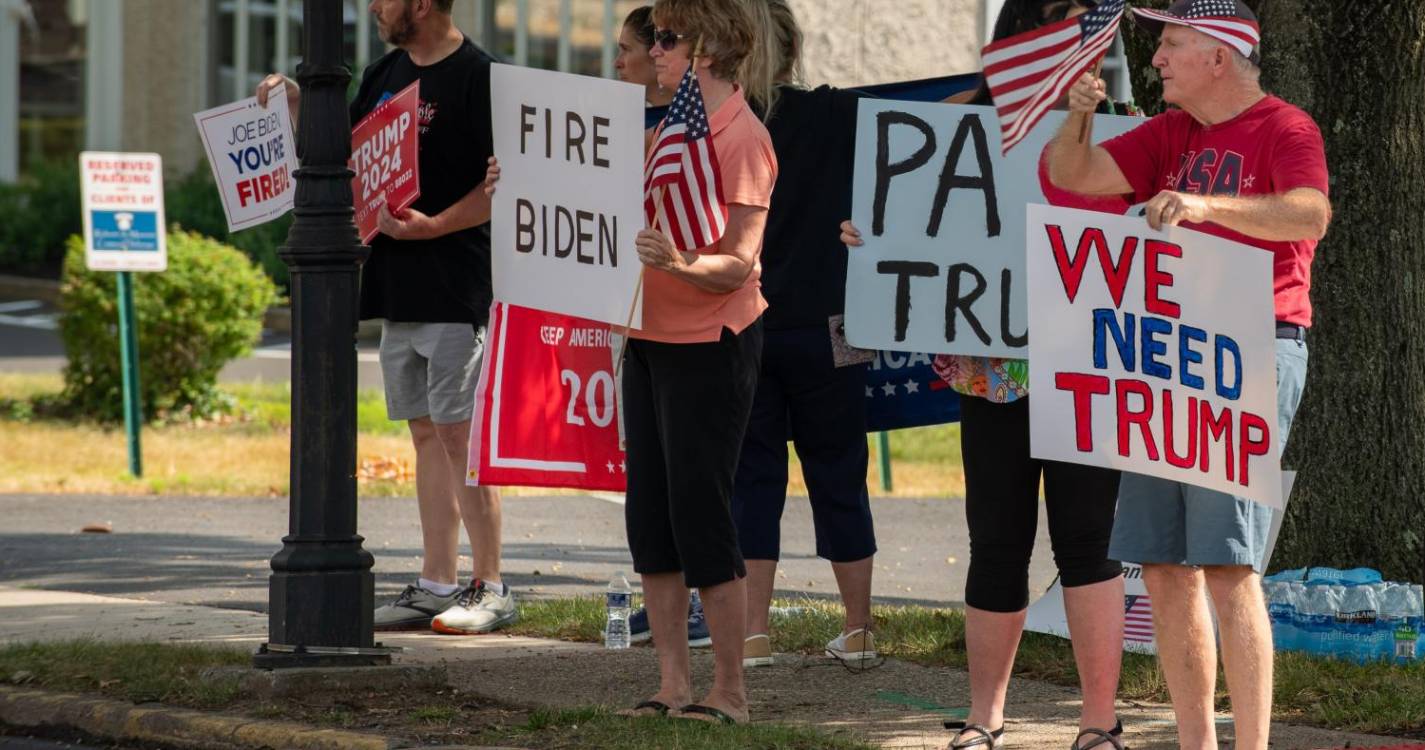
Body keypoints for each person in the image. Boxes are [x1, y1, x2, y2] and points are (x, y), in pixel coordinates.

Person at [842, 2, 1131, 747]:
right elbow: (906, 211)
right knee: (995, 543)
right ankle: (984, 718)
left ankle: (1098, 724)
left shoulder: (1126, 127)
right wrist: (872, 235)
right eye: (1070, 23)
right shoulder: (956, 122)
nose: (1086, 39)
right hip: (989, 372)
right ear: (1023, 37)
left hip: (1086, 370)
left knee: (1089, 544)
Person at [1045, 2, 1332, 749]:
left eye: (1170, 44)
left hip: (1248, 348)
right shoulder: (1171, 132)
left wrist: (1205, 205)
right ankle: (1194, 741)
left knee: (1228, 563)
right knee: (1165, 565)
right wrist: (1075, 116)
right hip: (1164, 357)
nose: (1156, 59)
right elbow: (1071, 175)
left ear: (1219, 55)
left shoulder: (1285, 127)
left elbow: (1307, 214)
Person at [486, 0, 774, 724]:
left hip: (711, 341)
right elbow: (598, 209)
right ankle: (672, 683)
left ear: (702, 50)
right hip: (645, 337)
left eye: (667, 39)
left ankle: (730, 691)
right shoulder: (660, 128)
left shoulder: (742, 137)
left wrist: (681, 261)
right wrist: (517, 185)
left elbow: (739, 263)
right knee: (650, 517)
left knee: (700, 514)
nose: (652, 51)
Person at [256, 0, 516, 636]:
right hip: (398, 286)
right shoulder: (382, 74)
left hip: (458, 287)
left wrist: (436, 227)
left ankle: (491, 585)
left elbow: (502, 187)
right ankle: (435, 582)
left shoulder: (483, 78)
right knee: (425, 434)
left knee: (461, 438)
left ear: (422, 4)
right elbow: (344, 158)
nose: (374, 6)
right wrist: (296, 104)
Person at [728, 0, 880, 671]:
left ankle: (752, 633)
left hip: (744, 321)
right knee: (839, 470)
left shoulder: (720, 124)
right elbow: (929, 122)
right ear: (792, 48)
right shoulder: (834, 114)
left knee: (752, 477)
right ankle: (858, 629)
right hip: (834, 322)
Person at [614, 5, 675, 130]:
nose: (617, 63)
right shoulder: (619, 119)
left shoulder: (686, 128)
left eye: (626, 49)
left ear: (656, 53)